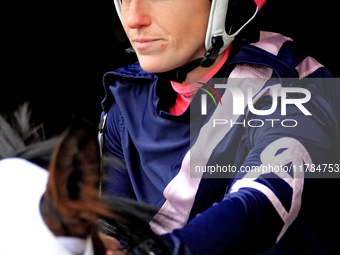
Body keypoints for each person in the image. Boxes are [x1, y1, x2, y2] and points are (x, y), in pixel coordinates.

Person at [100, 0, 340, 254]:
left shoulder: (296, 87)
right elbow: (116, 229)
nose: (133, 19)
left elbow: (258, 206)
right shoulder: (127, 98)